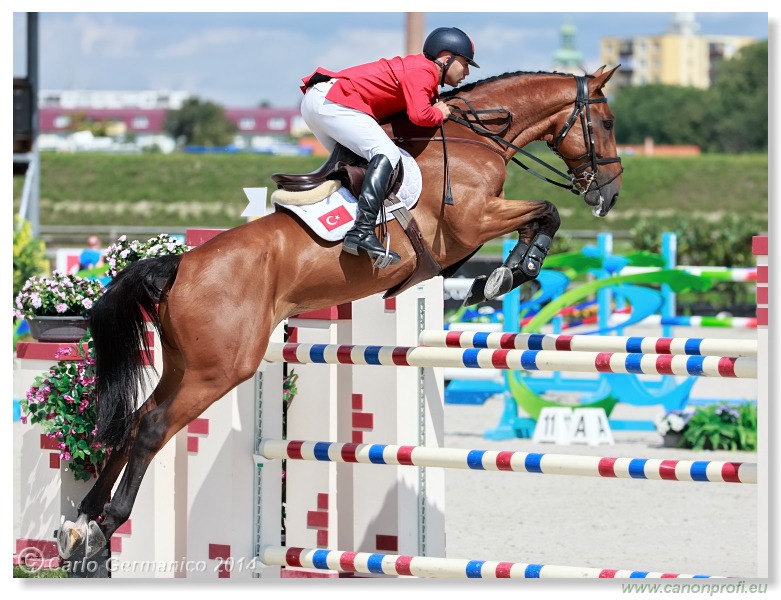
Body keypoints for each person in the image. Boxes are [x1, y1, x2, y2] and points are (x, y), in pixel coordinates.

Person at [300, 26, 479, 267]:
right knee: (386, 153)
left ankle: (335, 229)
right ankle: (361, 232)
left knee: (355, 166)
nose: (467, 71)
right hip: (333, 101)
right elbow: (420, 115)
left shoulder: (420, 70)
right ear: (447, 59)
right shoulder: (424, 71)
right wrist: (438, 113)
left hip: (321, 102)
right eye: (465, 63)